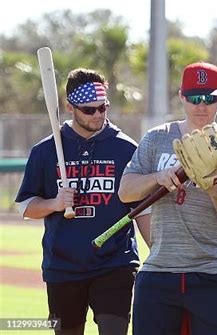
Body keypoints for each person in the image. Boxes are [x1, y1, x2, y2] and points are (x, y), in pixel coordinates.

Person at [118, 61, 217, 335]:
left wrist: (214, 189)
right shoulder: (156, 138)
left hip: (213, 272)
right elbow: (125, 191)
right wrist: (157, 177)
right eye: (194, 98)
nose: (201, 105)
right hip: (158, 271)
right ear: (181, 96)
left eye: (209, 98)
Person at [15, 68, 151, 335]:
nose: (98, 114)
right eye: (89, 110)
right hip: (62, 266)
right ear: (70, 107)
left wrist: (157, 250)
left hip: (115, 263)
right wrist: (54, 203)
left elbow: (141, 207)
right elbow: (26, 207)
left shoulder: (126, 149)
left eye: (103, 107)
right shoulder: (45, 151)